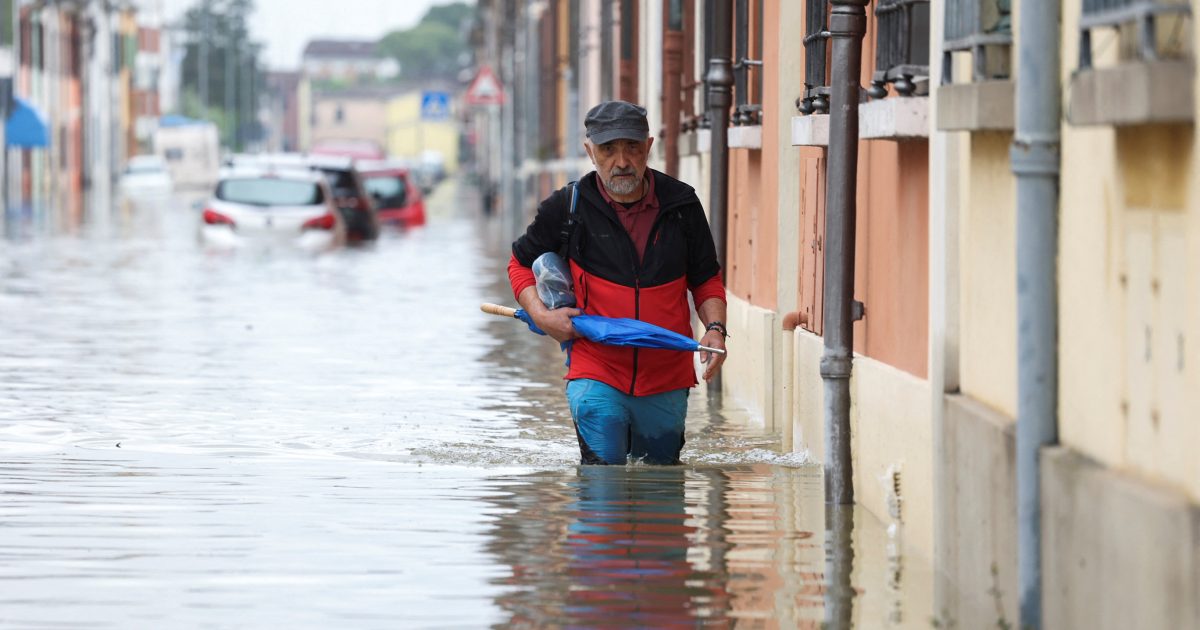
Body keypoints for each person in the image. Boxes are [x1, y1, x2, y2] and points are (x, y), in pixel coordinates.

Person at [507, 100, 728, 466]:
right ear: (590, 151)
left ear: (649, 147)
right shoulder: (567, 207)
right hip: (595, 370)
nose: (621, 162)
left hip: (667, 375)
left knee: (661, 489)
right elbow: (519, 264)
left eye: (632, 148)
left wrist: (716, 329)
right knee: (602, 484)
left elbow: (705, 278)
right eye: (608, 149)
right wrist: (542, 317)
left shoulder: (682, 205)